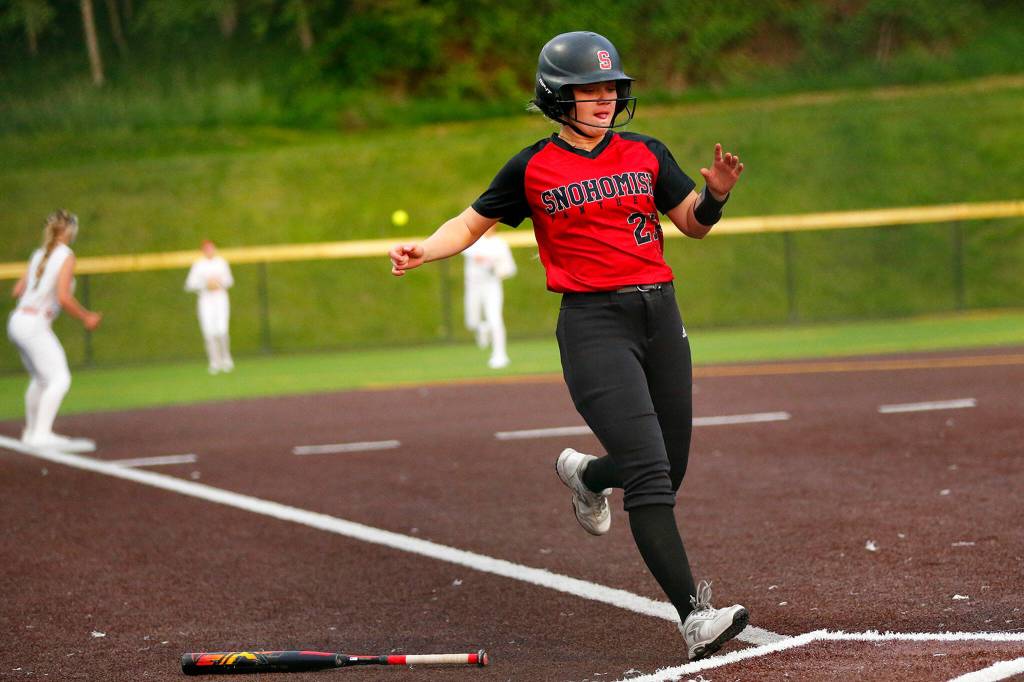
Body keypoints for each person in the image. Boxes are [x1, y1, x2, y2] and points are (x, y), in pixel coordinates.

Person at [389, 31, 749, 661]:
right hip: (593, 326)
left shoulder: (646, 152)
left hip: (660, 317)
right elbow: (471, 222)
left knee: (669, 464)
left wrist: (715, 192)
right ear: (558, 96)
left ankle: (586, 474)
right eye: (590, 88)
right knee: (650, 477)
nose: (605, 98)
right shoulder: (531, 166)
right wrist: (426, 246)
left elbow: (690, 224)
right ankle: (695, 617)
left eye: (611, 87)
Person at [7, 210, 102, 452]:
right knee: (60, 378)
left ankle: (31, 433)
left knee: (41, 379)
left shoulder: (39, 254)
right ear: (70, 231)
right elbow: (63, 296)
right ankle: (41, 434)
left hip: (18, 320)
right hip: (34, 324)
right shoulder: (65, 255)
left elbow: (17, 291)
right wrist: (86, 316)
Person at [462, 225, 517, 369]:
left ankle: (500, 355)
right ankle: (483, 327)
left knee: (495, 319)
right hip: (473, 287)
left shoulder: (500, 244)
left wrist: (495, 269)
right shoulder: (472, 240)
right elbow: (462, 248)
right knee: (472, 322)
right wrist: (479, 256)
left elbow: (510, 269)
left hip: (492, 286)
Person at [185, 239, 234, 374]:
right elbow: (189, 284)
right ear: (203, 251)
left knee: (222, 329)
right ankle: (214, 361)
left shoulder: (221, 263)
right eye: (206, 249)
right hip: (206, 299)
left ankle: (226, 359)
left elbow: (229, 281)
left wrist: (218, 282)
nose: (209, 251)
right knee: (209, 331)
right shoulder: (198, 265)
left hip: (220, 298)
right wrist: (205, 284)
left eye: (211, 248)